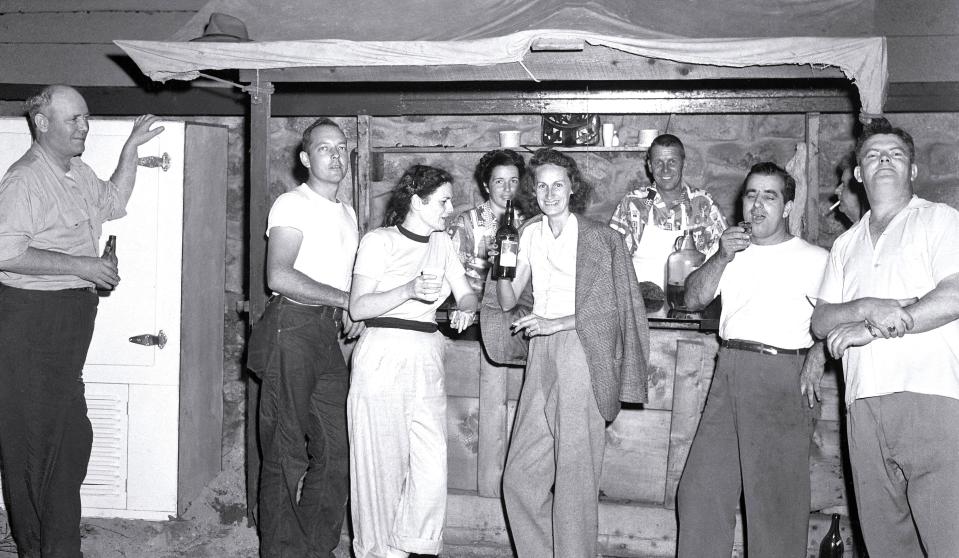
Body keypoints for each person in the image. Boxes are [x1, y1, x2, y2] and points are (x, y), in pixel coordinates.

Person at [0, 84, 162, 557]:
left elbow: (113, 200)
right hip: (32, 326)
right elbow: (4, 252)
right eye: (74, 119)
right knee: (35, 449)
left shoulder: (76, 172)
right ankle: (45, 548)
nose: (84, 127)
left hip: (67, 329)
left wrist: (130, 149)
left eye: (86, 118)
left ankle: (55, 545)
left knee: (70, 444)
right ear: (42, 123)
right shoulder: (25, 179)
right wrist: (81, 266)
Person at [489, 148, 649, 558]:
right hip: (540, 351)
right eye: (541, 185)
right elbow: (508, 302)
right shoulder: (526, 234)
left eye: (557, 184)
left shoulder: (600, 237)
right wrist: (501, 270)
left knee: (575, 482)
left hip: (582, 350)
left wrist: (555, 323)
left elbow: (612, 309)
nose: (549, 192)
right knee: (519, 479)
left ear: (572, 187)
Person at [811, 118, 959, 557]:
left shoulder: (940, 220)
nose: (885, 161)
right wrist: (866, 307)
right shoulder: (845, 245)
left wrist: (872, 328)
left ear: (912, 170)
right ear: (858, 173)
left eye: (896, 154)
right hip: (863, 406)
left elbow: (953, 294)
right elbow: (821, 322)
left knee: (948, 540)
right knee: (886, 546)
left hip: (931, 398)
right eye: (873, 155)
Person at [677, 162, 828, 558]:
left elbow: (836, 318)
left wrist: (817, 354)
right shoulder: (731, 252)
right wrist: (721, 256)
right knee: (699, 492)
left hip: (782, 375)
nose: (757, 205)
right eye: (751, 195)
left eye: (769, 196)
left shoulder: (814, 258)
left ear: (789, 206)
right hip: (729, 369)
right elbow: (692, 299)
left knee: (775, 507)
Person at [245, 118, 364, 558]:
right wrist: (347, 299)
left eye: (341, 147)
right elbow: (278, 274)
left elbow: (344, 278)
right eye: (323, 148)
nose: (335, 156)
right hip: (290, 327)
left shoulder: (347, 213)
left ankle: (316, 548)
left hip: (324, 333)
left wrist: (354, 309)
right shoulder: (292, 205)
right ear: (305, 158)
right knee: (285, 451)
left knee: (337, 449)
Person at [347, 164, 478, 558]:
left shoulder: (443, 243)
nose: (450, 208)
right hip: (383, 353)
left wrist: (465, 309)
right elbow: (357, 307)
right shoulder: (379, 241)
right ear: (417, 202)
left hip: (427, 356)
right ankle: (378, 553)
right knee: (379, 467)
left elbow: (466, 292)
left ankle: (412, 546)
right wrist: (408, 288)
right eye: (443, 201)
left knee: (430, 468)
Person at [609, 133, 727, 289]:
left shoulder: (704, 204)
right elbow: (611, 260)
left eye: (672, 162)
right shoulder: (634, 203)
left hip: (690, 304)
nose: (665, 170)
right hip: (640, 305)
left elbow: (722, 259)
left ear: (682, 163)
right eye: (658, 162)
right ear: (650, 166)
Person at [447, 148, 528, 329]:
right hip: (474, 316)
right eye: (499, 181)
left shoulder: (529, 223)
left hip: (518, 315)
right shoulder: (467, 222)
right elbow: (450, 274)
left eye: (513, 181)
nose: (507, 189)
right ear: (486, 185)